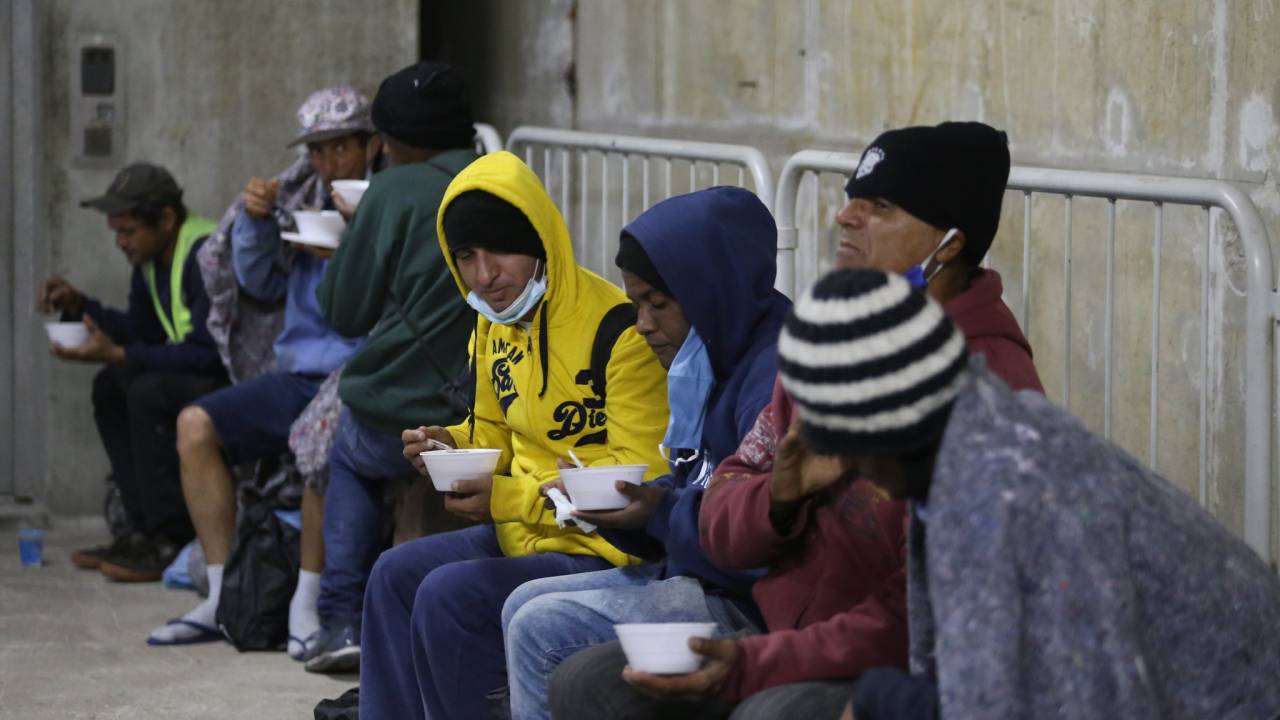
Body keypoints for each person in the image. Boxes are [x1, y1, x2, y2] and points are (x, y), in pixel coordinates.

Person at [549, 121, 1045, 719]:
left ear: (951, 243)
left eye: (880, 206)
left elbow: (915, 615)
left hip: (899, 661)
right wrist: (779, 499)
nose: (846, 218)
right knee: (589, 682)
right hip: (781, 627)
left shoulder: (988, 386)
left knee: (770, 713)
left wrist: (756, 666)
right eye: (850, 199)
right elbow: (723, 503)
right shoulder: (831, 340)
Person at [776, 268, 1280, 720]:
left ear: (886, 432)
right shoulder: (991, 422)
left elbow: (1084, 700)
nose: (864, 477)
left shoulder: (1002, 495)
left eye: (857, 457)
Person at [359, 150, 670, 720]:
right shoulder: (495, 320)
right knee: (393, 573)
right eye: (467, 257)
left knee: (447, 596)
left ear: (540, 242)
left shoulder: (618, 331)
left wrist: (509, 497)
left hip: (602, 551)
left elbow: (641, 475)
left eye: (501, 250)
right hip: (520, 535)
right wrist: (449, 445)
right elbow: (494, 429)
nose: (485, 275)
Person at [500, 186, 790, 720]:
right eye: (635, 304)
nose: (642, 324)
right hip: (702, 573)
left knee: (540, 629)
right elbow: (696, 489)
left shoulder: (768, 379)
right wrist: (633, 506)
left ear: (712, 293)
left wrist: (659, 515)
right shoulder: (710, 354)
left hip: (751, 604)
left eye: (658, 304)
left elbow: (755, 538)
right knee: (521, 602)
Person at [144, 86, 371, 648]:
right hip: (295, 375)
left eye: (340, 147)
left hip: (358, 376)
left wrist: (355, 246)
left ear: (371, 144)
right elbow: (260, 284)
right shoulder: (301, 196)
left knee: (324, 435)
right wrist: (253, 222)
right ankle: (223, 594)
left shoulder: (386, 202)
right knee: (194, 425)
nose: (328, 162)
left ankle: (308, 603)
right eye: (318, 151)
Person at [303, 61, 479, 673]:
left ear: (393, 139)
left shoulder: (393, 190)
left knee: (348, 452)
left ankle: (340, 619)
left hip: (408, 404)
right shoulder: (507, 179)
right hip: (497, 399)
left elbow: (344, 311)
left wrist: (352, 240)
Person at [40, 163, 225, 581]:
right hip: (188, 368)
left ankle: (169, 537)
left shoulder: (203, 253)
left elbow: (210, 353)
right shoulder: (151, 259)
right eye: (117, 232)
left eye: (128, 231)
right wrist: (79, 306)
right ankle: (140, 531)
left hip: (225, 376)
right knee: (111, 385)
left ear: (165, 219)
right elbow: (142, 333)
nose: (121, 243)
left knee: (144, 390)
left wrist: (121, 353)